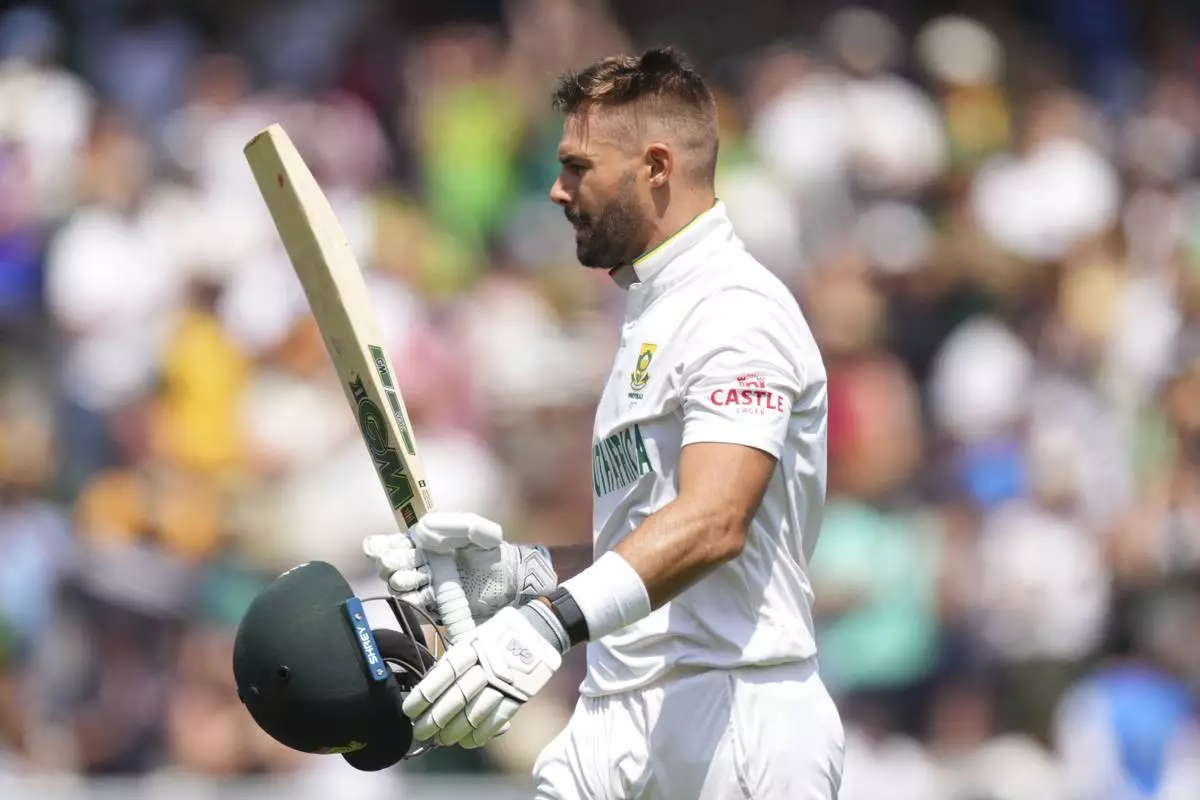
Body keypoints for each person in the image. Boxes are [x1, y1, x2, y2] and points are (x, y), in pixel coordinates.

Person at [364, 45, 844, 799]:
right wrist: (523, 576)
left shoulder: (735, 310)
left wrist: (548, 623)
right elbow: (649, 542)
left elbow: (716, 521)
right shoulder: (653, 310)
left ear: (656, 165)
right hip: (618, 713)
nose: (556, 191)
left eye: (578, 167)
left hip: (731, 720)